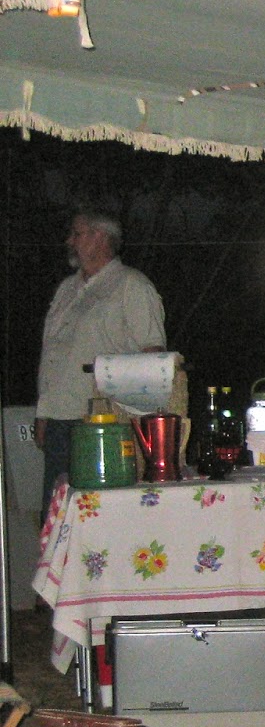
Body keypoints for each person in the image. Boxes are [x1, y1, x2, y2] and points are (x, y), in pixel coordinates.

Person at [33, 210, 166, 514]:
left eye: (77, 234)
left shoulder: (131, 286)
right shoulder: (67, 289)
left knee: (94, 516)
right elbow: (52, 353)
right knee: (54, 516)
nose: (70, 241)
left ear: (100, 237)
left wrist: (139, 428)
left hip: (102, 426)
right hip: (59, 419)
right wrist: (44, 413)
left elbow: (153, 358)